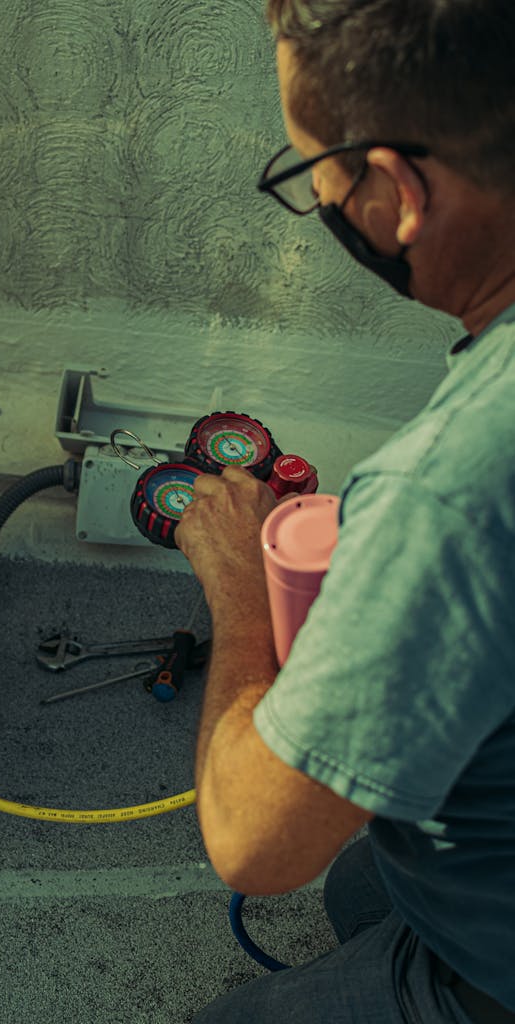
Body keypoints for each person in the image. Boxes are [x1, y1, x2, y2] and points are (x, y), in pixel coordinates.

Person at [175, 1, 515, 1021]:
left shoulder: (450, 491)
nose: (319, 198)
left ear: (398, 191)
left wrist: (239, 597)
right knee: (360, 885)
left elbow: (250, 841)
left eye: (310, 173)